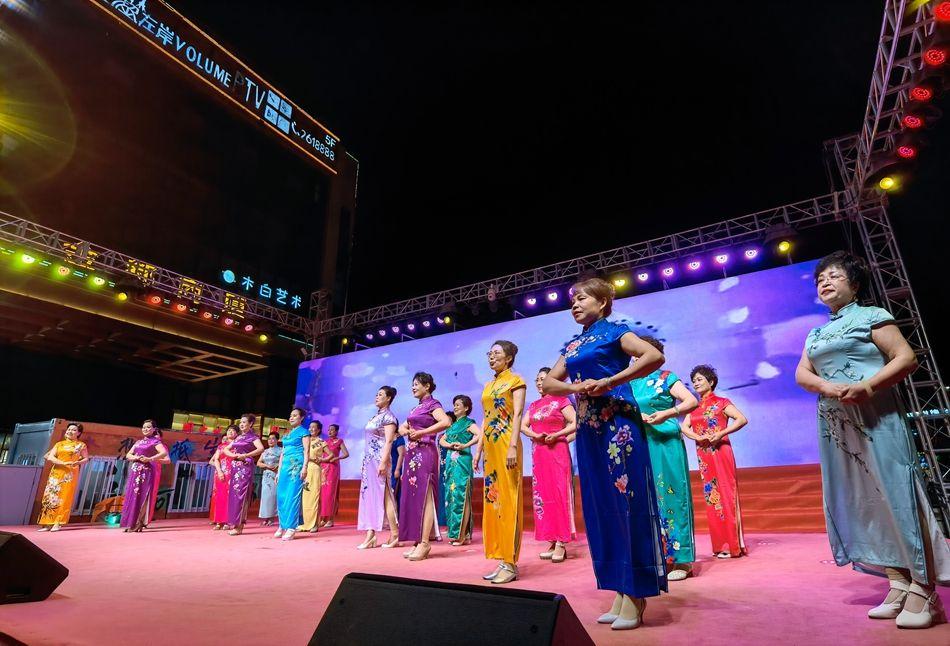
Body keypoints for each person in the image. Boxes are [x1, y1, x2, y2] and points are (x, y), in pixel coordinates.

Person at [795, 250, 950, 629]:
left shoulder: (871, 316)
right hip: (837, 424)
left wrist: (867, 386)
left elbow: (905, 357)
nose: (825, 282)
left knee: (897, 493)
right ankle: (898, 580)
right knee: (864, 498)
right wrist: (826, 387)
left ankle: (924, 588)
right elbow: (802, 373)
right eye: (820, 279)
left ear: (855, 284)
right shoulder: (815, 333)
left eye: (834, 276)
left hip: (876, 415)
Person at [542, 277, 667, 630]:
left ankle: (637, 592)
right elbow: (549, 383)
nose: (575, 304)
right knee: (601, 508)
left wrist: (612, 381)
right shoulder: (573, 344)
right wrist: (577, 385)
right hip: (588, 429)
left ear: (602, 302)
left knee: (627, 505)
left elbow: (654, 356)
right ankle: (619, 588)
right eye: (572, 300)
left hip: (619, 426)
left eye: (582, 298)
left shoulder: (616, 332)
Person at [631, 338, 699, 580]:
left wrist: (667, 413)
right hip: (639, 443)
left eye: (639, 352)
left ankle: (682, 560)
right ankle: (657, 558)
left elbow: (691, 401)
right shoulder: (628, 382)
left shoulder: (665, 377)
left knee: (671, 495)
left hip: (665, 442)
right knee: (645, 501)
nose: (634, 357)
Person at [682, 364, 748, 560]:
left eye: (699, 379)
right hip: (704, 456)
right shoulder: (693, 406)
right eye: (693, 381)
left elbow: (741, 419)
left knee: (727, 494)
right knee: (713, 499)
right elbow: (684, 427)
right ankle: (720, 545)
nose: (695, 383)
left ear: (711, 382)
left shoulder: (722, 402)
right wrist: (697, 437)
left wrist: (721, 433)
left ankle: (733, 544)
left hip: (721, 452)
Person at [480, 340, 527, 584]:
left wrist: (512, 445)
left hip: (507, 443)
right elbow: (486, 418)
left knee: (509, 500)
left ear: (508, 358)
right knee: (494, 501)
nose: (491, 356)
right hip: (490, 447)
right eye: (490, 353)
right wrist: (479, 450)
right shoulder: (489, 385)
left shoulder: (516, 381)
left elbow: (517, 414)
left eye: (496, 353)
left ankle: (511, 562)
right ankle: (501, 558)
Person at [522, 368, 577, 564]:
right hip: (539, 454)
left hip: (557, 451)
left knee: (560, 494)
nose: (539, 383)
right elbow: (523, 426)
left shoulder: (561, 400)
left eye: (543, 379)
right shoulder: (534, 405)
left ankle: (562, 542)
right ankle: (552, 540)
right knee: (545, 497)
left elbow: (575, 422)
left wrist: (558, 435)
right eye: (537, 379)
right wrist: (535, 435)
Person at [397, 372, 451, 561]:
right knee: (414, 499)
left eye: (416, 384)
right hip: (412, 455)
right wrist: (406, 431)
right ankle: (417, 541)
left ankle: (425, 543)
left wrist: (423, 433)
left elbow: (446, 422)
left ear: (427, 386)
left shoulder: (432, 405)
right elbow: (401, 427)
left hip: (426, 453)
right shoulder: (415, 408)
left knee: (425, 497)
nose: (413, 387)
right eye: (412, 384)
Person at [357, 387, 400, 549]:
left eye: (380, 394)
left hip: (379, 461)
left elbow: (389, 441)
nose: (376, 396)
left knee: (386, 495)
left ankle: (395, 534)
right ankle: (371, 534)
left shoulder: (389, 417)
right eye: (376, 394)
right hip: (369, 462)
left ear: (388, 398)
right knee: (369, 497)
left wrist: (383, 462)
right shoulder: (376, 416)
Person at [440, 395, 482, 546]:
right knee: (451, 497)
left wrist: (465, 445)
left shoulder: (469, 423)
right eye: (454, 404)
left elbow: (480, 434)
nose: (455, 407)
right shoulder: (452, 426)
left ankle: (461, 535)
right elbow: (442, 440)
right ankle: (463, 534)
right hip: (451, 465)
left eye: (458, 405)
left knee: (461, 496)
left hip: (462, 463)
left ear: (466, 408)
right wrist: (449, 445)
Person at [37, 422, 89, 532]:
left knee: (64, 497)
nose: (70, 431)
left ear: (79, 433)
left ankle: (58, 523)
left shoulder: (81, 445)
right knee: (50, 497)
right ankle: (47, 523)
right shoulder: (59, 444)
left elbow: (86, 459)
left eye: (74, 430)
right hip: (56, 473)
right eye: (69, 429)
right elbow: (50, 457)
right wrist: (62, 463)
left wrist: (78, 462)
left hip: (69, 474)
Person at [119, 420, 169, 533]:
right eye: (144, 427)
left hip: (146, 472)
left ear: (154, 429)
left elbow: (164, 453)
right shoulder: (138, 442)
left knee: (143, 496)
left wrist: (150, 459)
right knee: (132, 496)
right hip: (135, 471)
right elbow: (128, 455)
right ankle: (131, 523)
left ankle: (139, 522)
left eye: (148, 427)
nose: (145, 429)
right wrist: (136, 458)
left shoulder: (155, 442)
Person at [223, 414, 265, 536]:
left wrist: (246, 455)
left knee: (242, 495)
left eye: (244, 422)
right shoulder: (238, 437)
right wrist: (234, 456)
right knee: (234, 495)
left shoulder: (253, 437)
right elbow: (226, 449)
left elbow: (261, 449)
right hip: (235, 467)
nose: (241, 424)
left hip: (245, 467)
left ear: (250, 424)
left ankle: (239, 526)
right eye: (240, 422)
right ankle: (234, 523)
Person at [275, 408, 312, 541]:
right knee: (281, 496)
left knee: (292, 496)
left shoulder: (304, 432)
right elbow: (282, 453)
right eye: (291, 415)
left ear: (301, 418)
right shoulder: (287, 434)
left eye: (295, 416)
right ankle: (282, 525)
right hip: (284, 467)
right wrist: (278, 471)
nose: (291, 418)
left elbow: (307, 451)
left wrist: (305, 467)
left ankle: (291, 527)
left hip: (296, 466)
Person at [299, 420, 330, 534]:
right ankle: (305, 523)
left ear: (319, 430)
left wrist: (322, 459)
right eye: (310, 427)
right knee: (304, 498)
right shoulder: (305, 440)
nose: (311, 429)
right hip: (304, 469)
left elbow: (331, 455)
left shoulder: (321, 442)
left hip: (315, 469)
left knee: (314, 497)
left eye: (314, 427)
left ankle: (314, 524)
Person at [319, 424, 349, 528]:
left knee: (330, 494)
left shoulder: (339, 441)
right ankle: (323, 518)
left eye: (332, 430)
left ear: (336, 431)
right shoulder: (324, 442)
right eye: (329, 430)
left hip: (333, 468)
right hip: (323, 468)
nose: (330, 431)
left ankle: (331, 519)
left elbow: (346, 454)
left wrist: (336, 458)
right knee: (322, 494)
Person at [208, 426, 237, 530]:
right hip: (221, 474)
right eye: (229, 430)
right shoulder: (221, 446)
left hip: (233, 474)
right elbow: (216, 459)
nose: (230, 432)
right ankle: (219, 521)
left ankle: (228, 521)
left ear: (237, 434)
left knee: (230, 498)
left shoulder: (238, 446)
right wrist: (220, 471)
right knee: (220, 497)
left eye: (233, 431)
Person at [257, 432, 281, 526]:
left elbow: (283, 462)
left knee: (273, 496)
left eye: (273, 439)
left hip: (276, 475)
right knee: (265, 497)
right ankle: (266, 517)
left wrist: (277, 466)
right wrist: (267, 466)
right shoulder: (265, 451)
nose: (270, 440)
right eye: (269, 439)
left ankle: (272, 518)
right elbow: (258, 463)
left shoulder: (281, 450)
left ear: (277, 440)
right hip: (266, 475)